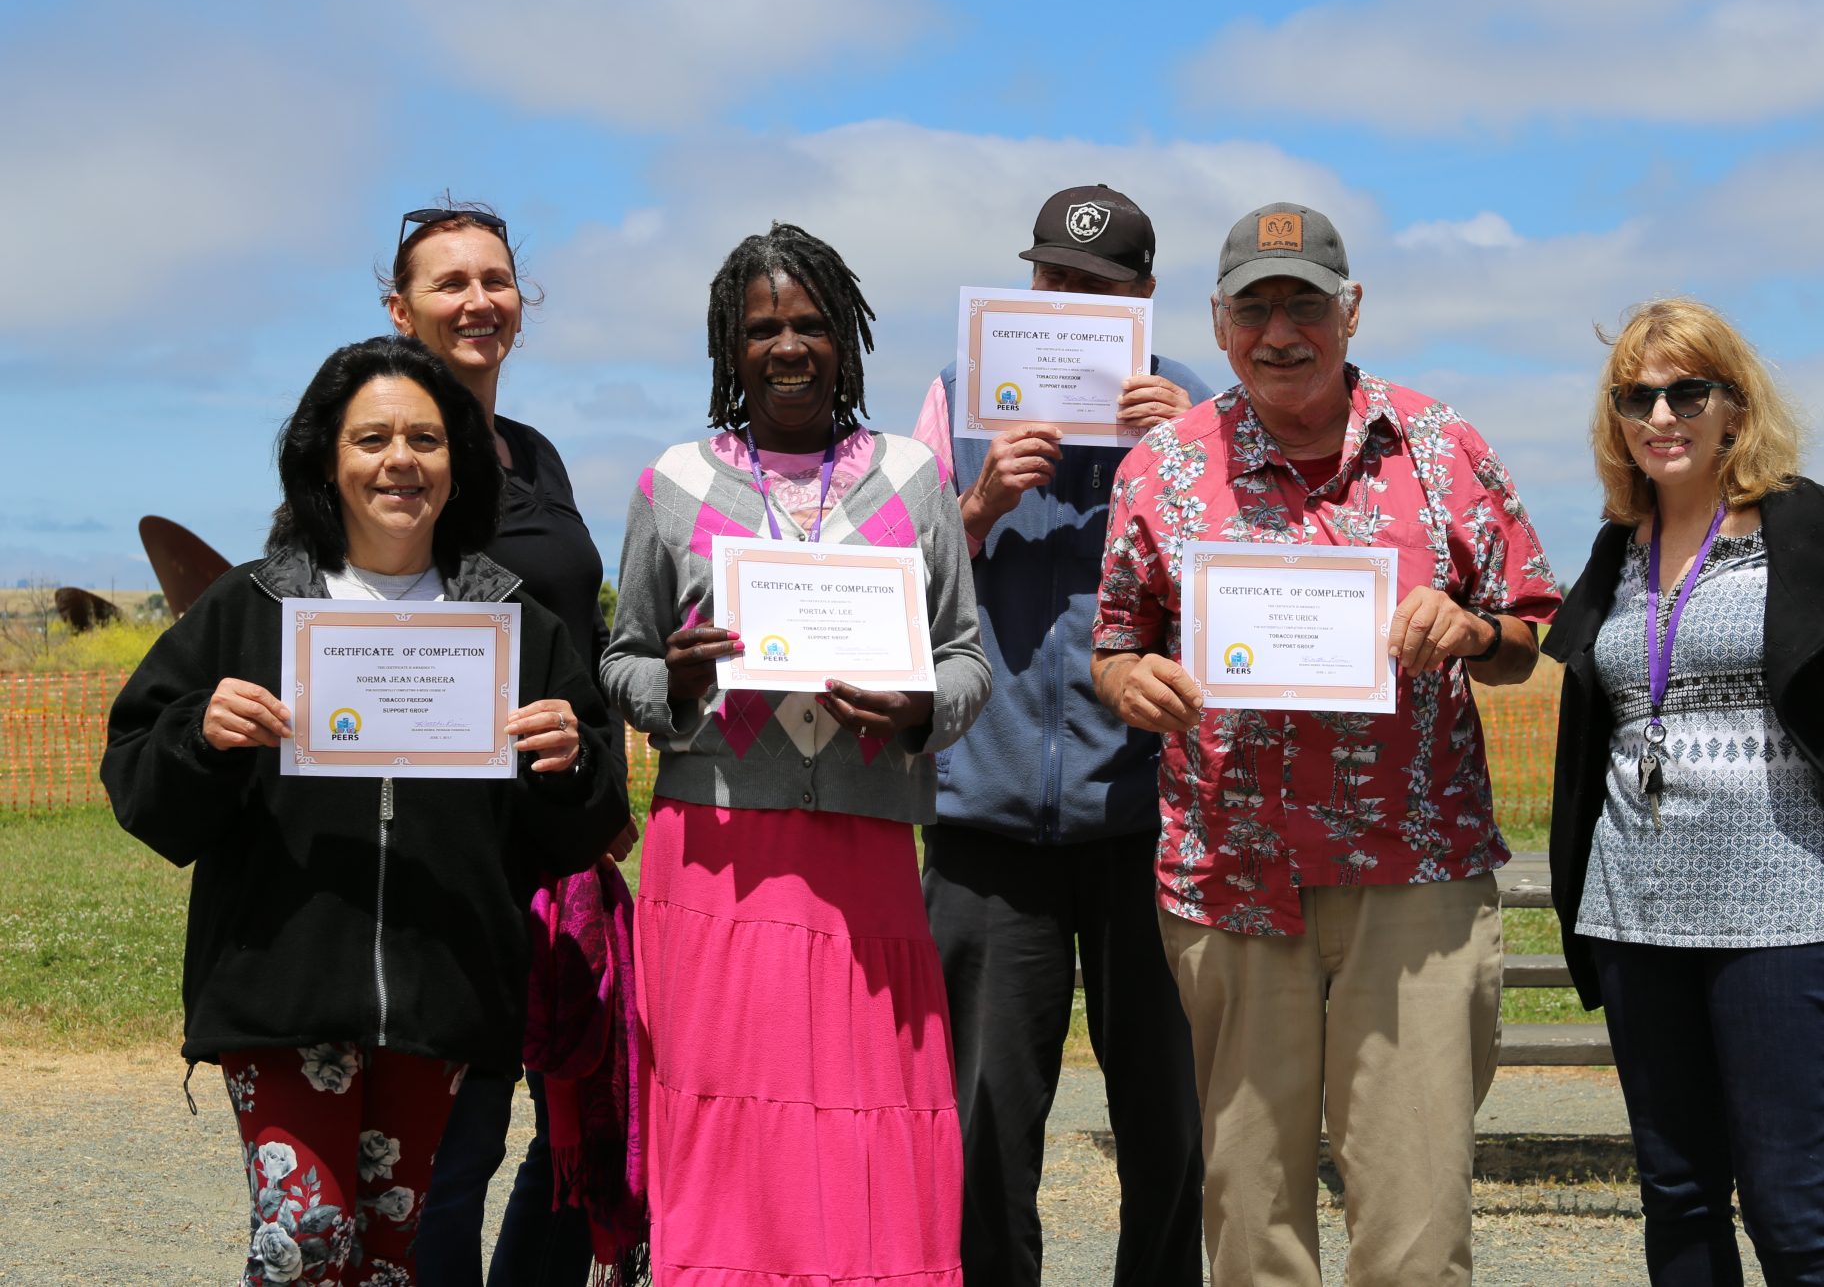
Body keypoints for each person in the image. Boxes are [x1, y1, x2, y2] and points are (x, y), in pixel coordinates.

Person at [1090, 202, 1561, 1286]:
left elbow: (1530, 632)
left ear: (1350, 312)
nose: (1279, 329)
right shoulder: (1159, 470)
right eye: (1254, 306)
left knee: (1412, 1219)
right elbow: (1114, 643)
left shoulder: (1442, 448)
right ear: (1216, 323)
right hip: (1230, 880)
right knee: (1248, 1221)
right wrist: (1132, 681)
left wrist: (1474, 629)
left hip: (1415, 881)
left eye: (1303, 302)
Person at [101, 335, 629, 1287]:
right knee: (304, 1246)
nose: (400, 461)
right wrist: (200, 735)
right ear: (325, 458)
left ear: (459, 462)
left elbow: (581, 826)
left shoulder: (512, 624)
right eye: (372, 437)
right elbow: (140, 784)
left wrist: (570, 762)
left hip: (441, 997)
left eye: (426, 438)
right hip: (282, 992)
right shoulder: (249, 607)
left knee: (393, 1262)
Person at [1543, 298, 1824, 1285]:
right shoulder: (1612, 552)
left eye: (1685, 391)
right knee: (1674, 1201)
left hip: (1781, 917)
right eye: (1636, 396)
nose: (1660, 415)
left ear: (1731, 403)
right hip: (1633, 919)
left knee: (1786, 1213)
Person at [600, 223, 991, 1285]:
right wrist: (670, 685)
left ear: (846, 341)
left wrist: (917, 712)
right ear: (730, 345)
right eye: (762, 326)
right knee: (729, 1108)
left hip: (862, 850)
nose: (788, 346)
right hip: (717, 846)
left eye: (810, 324)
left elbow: (966, 661)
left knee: (870, 1107)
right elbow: (620, 661)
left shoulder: (912, 480)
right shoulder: (672, 483)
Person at [909, 183, 1209, 1286]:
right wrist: (974, 506)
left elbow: (1249, 595)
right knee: (983, 1125)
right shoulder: (954, 396)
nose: (1065, 299)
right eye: (1050, 278)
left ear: (1139, 297)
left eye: (1093, 286)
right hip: (984, 825)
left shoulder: (1192, 407)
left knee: (1166, 1124)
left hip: (1148, 821)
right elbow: (891, 578)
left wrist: (1185, 466)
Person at [385, 198, 640, 1287]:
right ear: (400, 311)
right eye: (450, 283)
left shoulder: (532, 453)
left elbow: (572, 633)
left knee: (591, 1125)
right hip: (444, 853)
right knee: (454, 1154)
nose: (479, 300)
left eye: (496, 280)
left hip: (559, 840)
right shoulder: (382, 452)